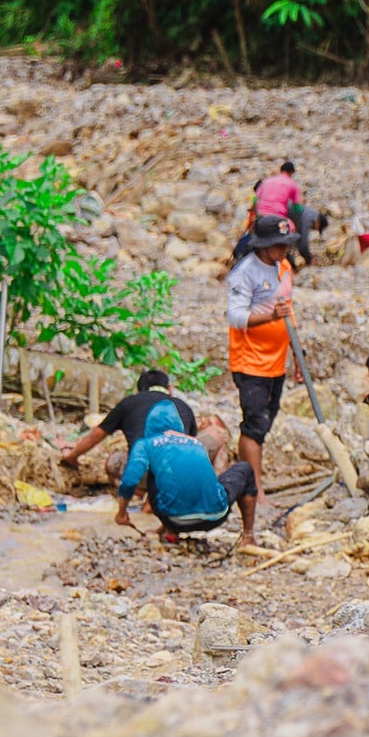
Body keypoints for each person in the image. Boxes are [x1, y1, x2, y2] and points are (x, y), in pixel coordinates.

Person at [113, 401, 261, 549]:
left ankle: (169, 529)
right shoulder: (195, 442)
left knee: (158, 471)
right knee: (244, 469)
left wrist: (121, 513)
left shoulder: (146, 444)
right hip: (216, 517)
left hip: (173, 520)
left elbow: (129, 480)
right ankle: (248, 536)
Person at [226, 224, 299, 515]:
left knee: (265, 423)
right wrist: (270, 315)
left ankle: (249, 479)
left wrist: (297, 352)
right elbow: (236, 317)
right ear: (264, 245)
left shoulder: (284, 268)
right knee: (254, 425)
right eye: (280, 245)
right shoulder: (244, 274)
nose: (285, 250)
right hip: (250, 362)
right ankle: (255, 489)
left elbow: (288, 310)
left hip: (276, 361)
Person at [59, 368, 198, 472]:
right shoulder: (183, 406)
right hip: (180, 471)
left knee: (113, 463)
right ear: (169, 389)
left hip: (144, 468)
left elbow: (96, 435)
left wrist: (72, 456)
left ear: (140, 391)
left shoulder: (130, 403)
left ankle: (141, 494)